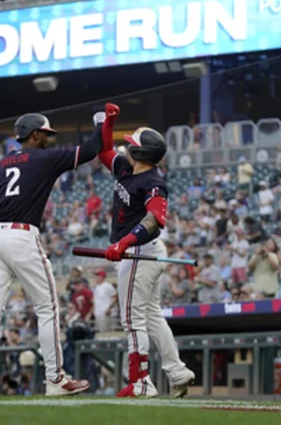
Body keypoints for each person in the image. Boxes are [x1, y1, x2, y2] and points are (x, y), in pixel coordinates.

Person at [0, 112, 98, 397]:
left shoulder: (1, 164)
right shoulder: (42, 158)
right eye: (46, 135)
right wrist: (104, 124)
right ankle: (55, 379)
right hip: (20, 236)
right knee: (47, 308)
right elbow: (89, 151)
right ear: (35, 135)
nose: (48, 140)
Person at [96, 103, 195, 398]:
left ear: (140, 154)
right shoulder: (127, 169)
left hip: (139, 252)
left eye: (131, 146)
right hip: (140, 253)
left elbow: (156, 220)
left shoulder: (153, 182)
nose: (126, 149)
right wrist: (109, 123)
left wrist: (124, 243)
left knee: (132, 319)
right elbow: (103, 151)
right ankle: (177, 372)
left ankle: (140, 382)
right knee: (152, 316)